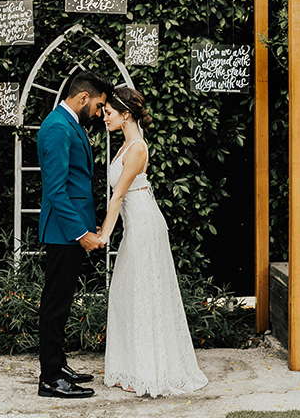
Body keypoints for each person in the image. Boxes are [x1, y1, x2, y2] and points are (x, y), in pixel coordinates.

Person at [98, 86, 209, 397]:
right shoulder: (125, 146)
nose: (104, 117)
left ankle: (148, 371)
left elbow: (118, 194)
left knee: (143, 292)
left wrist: (105, 234)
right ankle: (132, 367)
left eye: (109, 113)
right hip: (136, 225)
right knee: (126, 290)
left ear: (126, 114)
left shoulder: (136, 149)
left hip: (145, 226)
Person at [36, 70, 113, 399]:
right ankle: (50, 378)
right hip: (62, 233)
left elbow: (75, 185)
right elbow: (56, 191)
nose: (98, 113)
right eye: (98, 106)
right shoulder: (56, 127)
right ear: (83, 97)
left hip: (70, 230)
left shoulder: (69, 124)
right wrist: (81, 232)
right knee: (54, 304)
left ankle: (58, 364)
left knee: (62, 302)